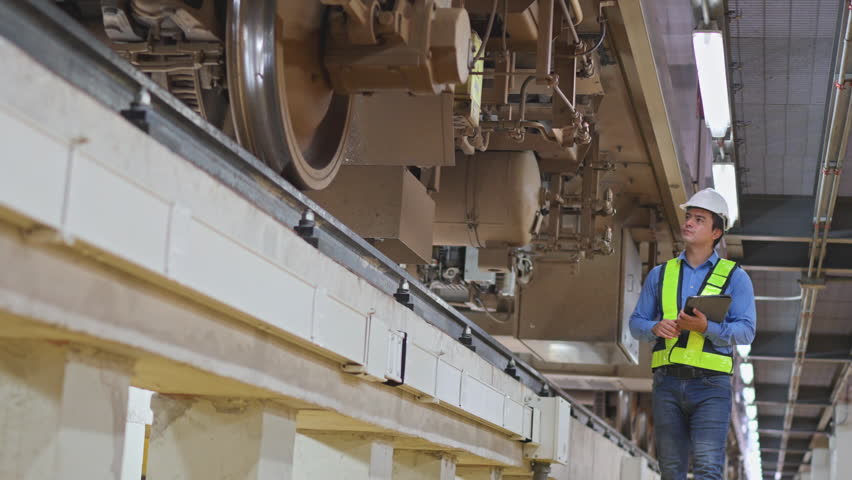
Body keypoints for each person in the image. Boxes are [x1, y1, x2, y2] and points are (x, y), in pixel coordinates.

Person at [629, 188, 756, 480]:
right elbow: (636, 322)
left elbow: (747, 330)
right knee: (671, 470)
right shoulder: (661, 274)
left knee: (707, 468)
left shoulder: (736, 277)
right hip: (667, 383)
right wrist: (654, 327)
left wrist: (706, 328)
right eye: (688, 217)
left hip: (711, 387)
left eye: (699, 219)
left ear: (716, 232)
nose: (689, 223)